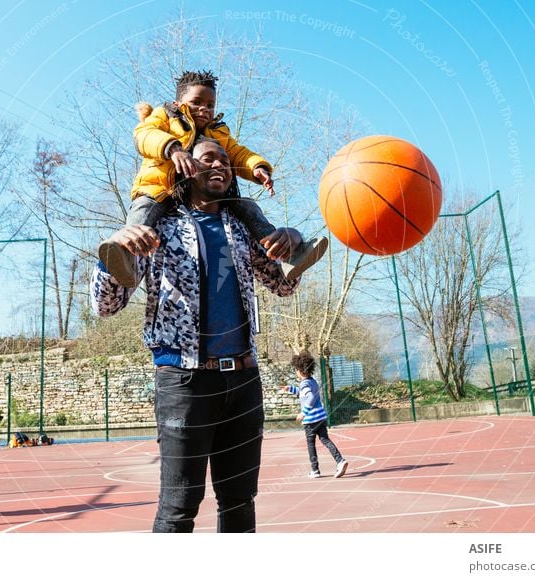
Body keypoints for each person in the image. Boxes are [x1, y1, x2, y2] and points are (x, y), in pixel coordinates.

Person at [91, 138, 300, 532]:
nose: (219, 163)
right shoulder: (156, 228)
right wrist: (115, 252)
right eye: (208, 158)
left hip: (243, 378)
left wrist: (291, 245)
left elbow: (283, 286)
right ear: (186, 170)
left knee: (239, 502)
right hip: (185, 381)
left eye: (225, 159)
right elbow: (105, 305)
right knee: (179, 506)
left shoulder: (240, 228)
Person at [98, 69, 327, 288]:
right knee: (141, 218)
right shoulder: (165, 117)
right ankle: (124, 258)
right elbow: (145, 135)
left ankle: (287, 256)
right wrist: (173, 148)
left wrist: (256, 167)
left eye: (210, 105)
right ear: (178, 103)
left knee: (248, 207)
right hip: (158, 189)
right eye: (196, 102)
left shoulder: (218, 131)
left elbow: (238, 152)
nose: (204, 109)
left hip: (198, 200)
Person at [279, 351, 349, 479]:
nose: (296, 372)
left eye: (296, 370)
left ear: (300, 370)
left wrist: (303, 413)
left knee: (311, 444)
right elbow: (304, 393)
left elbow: (309, 397)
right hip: (321, 417)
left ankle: (315, 470)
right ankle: (340, 461)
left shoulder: (304, 383)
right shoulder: (312, 381)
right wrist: (290, 389)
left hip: (311, 420)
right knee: (325, 440)